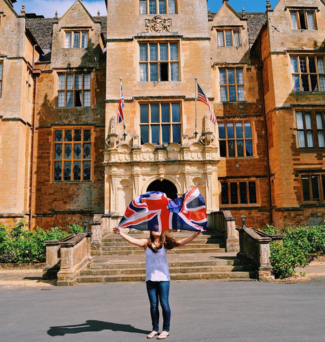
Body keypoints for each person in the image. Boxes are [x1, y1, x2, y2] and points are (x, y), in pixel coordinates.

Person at [113, 226, 201, 340]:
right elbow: (133, 240)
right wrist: (121, 233)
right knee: (153, 306)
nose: (156, 229)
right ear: (150, 231)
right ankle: (155, 329)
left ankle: (166, 329)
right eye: (154, 227)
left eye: (159, 227)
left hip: (163, 278)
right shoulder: (146, 243)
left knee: (164, 304)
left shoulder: (165, 243)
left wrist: (194, 235)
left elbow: (181, 242)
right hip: (150, 279)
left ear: (162, 230)